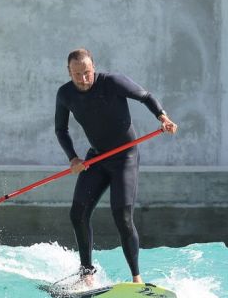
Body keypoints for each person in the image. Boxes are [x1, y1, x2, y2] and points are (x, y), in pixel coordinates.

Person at [55, 48, 178, 285]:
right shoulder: (65, 94)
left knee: (121, 216)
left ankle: (136, 278)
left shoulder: (112, 82)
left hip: (125, 158)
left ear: (94, 68)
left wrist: (162, 117)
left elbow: (145, 96)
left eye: (87, 73)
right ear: (69, 72)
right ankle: (87, 273)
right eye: (77, 74)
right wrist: (73, 158)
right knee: (77, 214)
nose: (83, 79)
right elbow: (61, 129)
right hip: (97, 159)